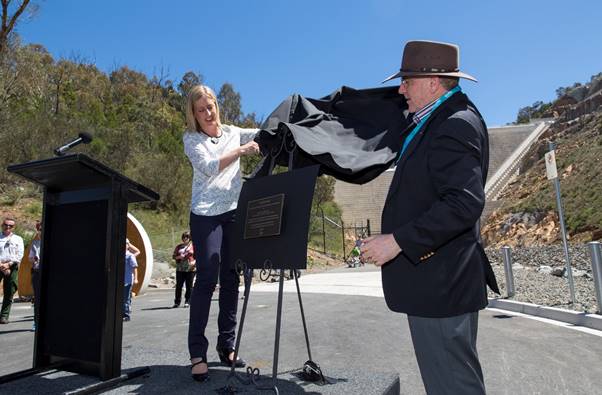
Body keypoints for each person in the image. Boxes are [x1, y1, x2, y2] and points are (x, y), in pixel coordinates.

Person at [360, 40, 499, 395]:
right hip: (439, 283)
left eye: (407, 80)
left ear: (433, 82)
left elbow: (464, 203)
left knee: (453, 387)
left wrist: (396, 242)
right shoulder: (436, 120)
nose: (401, 88)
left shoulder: (454, 124)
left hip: (443, 286)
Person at [183, 84, 260, 382]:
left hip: (233, 213)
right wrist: (241, 150)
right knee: (207, 275)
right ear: (193, 113)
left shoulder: (231, 130)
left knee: (231, 278)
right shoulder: (191, 139)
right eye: (200, 110)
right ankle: (196, 353)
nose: (207, 113)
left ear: (216, 105)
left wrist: (284, 123)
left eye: (210, 106)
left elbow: (261, 133)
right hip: (205, 215)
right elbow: (209, 166)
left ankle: (226, 346)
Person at [0, 217, 24, 324]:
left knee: (9, 291)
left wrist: (8, 264)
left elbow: (20, 254)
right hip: (0, 264)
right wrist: (1, 265)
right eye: (6, 224)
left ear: (13, 227)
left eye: (11, 225)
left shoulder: (18, 239)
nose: (8, 227)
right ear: (2, 225)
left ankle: (4, 316)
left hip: (12, 266)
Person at [172, 231, 195, 308]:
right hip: (180, 268)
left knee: (189, 286)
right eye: (184, 237)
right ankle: (177, 302)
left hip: (190, 268)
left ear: (190, 238)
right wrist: (178, 257)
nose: (185, 238)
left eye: (187, 237)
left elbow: (197, 256)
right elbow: (174, 256)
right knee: (179, 286)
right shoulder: (179, 246)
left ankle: (188, 301)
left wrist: (194, 262)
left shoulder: (193, 246)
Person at [29, 220, 42, 330]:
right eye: (40, 229)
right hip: (38, 272)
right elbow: (31, 258)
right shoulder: (35, 243)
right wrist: (34, 260)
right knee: (38, 298)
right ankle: (36, 322)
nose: (42, 231)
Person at [123, 240, 139, 322]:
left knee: (125, 298)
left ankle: (126, 315)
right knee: (125, 297)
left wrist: (136, 279)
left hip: (128, 280)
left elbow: (135, 268)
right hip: (122, 280)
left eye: (126, 244)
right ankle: (126, 310)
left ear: (128, 245)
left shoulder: (130, 256)